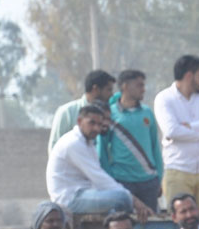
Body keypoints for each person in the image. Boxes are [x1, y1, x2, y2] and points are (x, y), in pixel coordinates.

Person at [47, 104, 152, 220]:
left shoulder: (88, 143)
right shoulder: (73, 143)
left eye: (99, 124)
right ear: (79, 121)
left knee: (121, 198)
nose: (96, 129)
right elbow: (99, 178)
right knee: (122, 199)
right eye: (92, 123)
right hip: (69, 198)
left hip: (84, 193)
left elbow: (99, 180)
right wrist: (134, 200)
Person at [154, 54, 199, 212]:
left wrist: (192, 126)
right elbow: (172, 130)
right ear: (189, 76)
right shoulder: (164, 99)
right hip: (178, 170)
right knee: (180, 219)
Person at [101, 68, 163, 210]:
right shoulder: (110, 114)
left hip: (148, 181)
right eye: (139, 85)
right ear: (125, 87)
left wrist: (158, 177)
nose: (143, 89)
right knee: (122, 220)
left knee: (151, 221)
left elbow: (155, 146)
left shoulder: (147, 112)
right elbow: (102, 149)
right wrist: (109, 178)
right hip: (122, 181)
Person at [47, 70, 116, 152]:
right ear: (96, 89)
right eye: (109, 90)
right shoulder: (67, 112)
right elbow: (55, 147)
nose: (112, 95)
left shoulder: (111, 114)